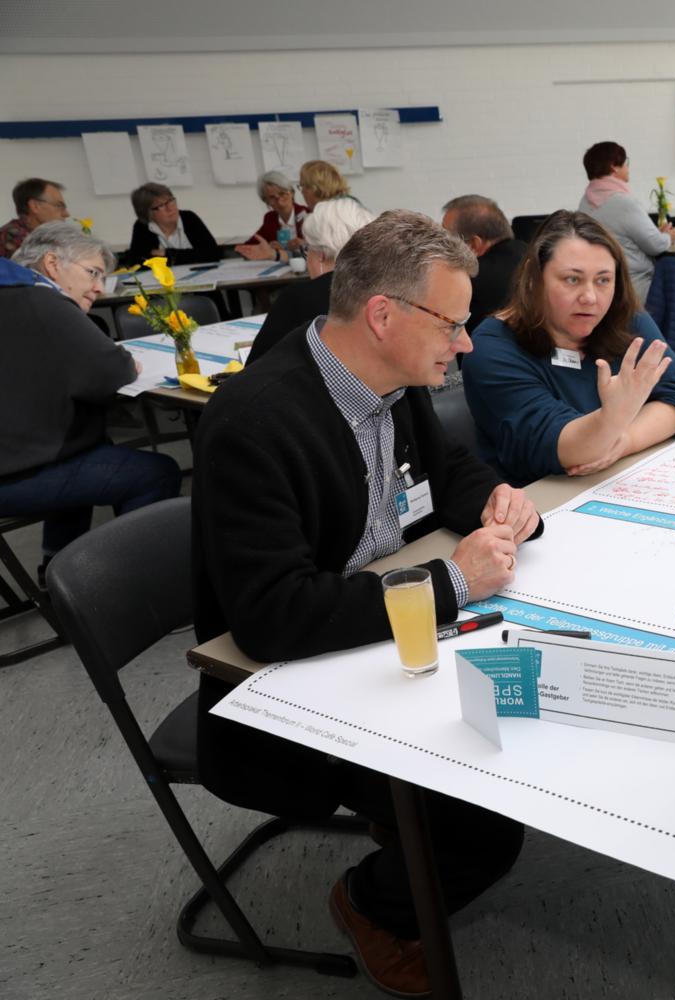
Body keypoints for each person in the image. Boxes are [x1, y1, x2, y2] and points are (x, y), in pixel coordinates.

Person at [192, 210, 543, 999]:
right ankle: (373, 905)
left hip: (381, 641)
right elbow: (272, 616)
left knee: (524, 725)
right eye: (453, 324)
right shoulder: (254, 421)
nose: (464, 344)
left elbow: (452, 471)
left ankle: (406, 829)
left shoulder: (391, 379)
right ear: (384, 316)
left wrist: (505, 503)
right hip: (284, 688)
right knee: (486, 822)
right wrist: (452, 585)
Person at [463, 211, 675, 484]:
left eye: (603, 280)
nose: (590, 298)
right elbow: (570, 449)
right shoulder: (493, 347)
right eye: (572, 279)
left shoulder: (623, 318)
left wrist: (625, 440)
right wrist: (615, 418)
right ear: (534, 280)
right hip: (539, 501)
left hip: (616, 482)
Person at [0, 223, 180, 577]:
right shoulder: (41, 299)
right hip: (13, 475)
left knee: (88, 450)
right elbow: (110, 371)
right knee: (156, 473)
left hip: (15, 454)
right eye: (92, 272)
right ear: (52, 264)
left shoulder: (11, 293)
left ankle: (57, 572)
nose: (99, 287)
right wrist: (125, 361)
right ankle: (123, 587)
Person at [246, 195, 376, 364]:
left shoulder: (298, 298)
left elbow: (256, 367)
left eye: (307, 250)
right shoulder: (389, 286)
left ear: (320, 255)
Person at [577, 141, 675, 300]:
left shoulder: (585, 201)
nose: (627, 168)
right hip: (636, 288)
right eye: (625, 163)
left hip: (601, 286)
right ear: (614, 167)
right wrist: (667, 237)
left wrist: (656, 235)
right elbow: (655, 246)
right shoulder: (623, 202)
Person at [441, 194, 527, 332]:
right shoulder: (533, 255)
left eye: (448, 240)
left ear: (474, 244)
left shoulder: (467, 279)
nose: (444, 247)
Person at [121, 183, 220, 268]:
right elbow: (138, 262)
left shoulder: (189, 218)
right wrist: (189, 256)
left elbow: (213, 254)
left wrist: (166, 254)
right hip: (162, 286)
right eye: (161, 206)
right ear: (147, 212)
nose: (170, 208)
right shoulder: (142, 227)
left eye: (171, 201)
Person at [233, 170, 308, 262]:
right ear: (266, 201)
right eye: (272, 197)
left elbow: (324, 250)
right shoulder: (270, 219)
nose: (279, 201)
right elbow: (245, 249)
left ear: (292, 193)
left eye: (282, 193)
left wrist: (305, 245)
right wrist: (268, 249)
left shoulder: (309, 214)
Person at [2, 177, 69, 258]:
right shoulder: (13, 235)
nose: (66, 214)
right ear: (35, 206)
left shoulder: (42, 235)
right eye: (59, 206)